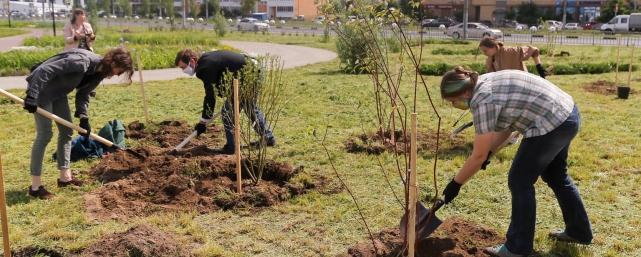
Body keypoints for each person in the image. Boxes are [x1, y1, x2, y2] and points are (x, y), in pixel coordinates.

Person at [438, 67, 593, 257]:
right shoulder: (481, 82)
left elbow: (477, 156)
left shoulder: (483, 100)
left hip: (551, 123)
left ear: (464, 91)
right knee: (555, 175)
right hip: (567, 113)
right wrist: (490, 152)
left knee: (520, 180)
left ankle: (517, 248)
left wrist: (456, 183)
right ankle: (579, 232)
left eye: (454, 101)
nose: (455, 105)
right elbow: (505, 127)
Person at [23, 47, 134, 199]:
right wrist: (32, 95)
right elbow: (44, 69)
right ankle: (35, 187)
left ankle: (65, 177)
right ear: (112, 61)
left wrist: (83, 117)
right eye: (118, 70)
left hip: (58, 93)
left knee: (67, 131)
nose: (116, 74)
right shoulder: (82, 62)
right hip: (41, 91)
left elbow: (83, 94)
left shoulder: (99, 73)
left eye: (119, 72)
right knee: (45, 135)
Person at [174, 49, 275, 154]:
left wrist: (203, 122)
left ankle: (231, 147)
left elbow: (210, 95)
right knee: (249, 107)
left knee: (228, 112)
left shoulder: (205, 67)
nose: (183, 70)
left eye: (183, 67)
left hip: (249, 74)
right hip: (252, 70)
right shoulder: (205, 60)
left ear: (193, 60)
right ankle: (268, 138)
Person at [479, 37, 547, 78]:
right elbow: (490, 75)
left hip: (521, 83)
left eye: (485, 51)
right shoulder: (491, 58)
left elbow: (534, 50)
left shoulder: (512, 51)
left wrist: (539, 67)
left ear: (493, 47)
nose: (484, 53)